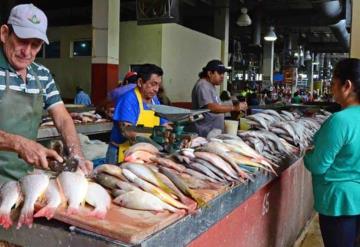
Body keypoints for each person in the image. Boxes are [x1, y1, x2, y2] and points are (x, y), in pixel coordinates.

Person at [0, 4, 92, 183]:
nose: (27, 52)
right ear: (4, 34)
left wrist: (77, 155)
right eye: (21, 41)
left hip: (21, 179)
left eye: (35, 45)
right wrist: (19, 144)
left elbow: (62, 118)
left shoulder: (42, 74)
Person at [304, 58, 360, 247]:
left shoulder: (340, 121)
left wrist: (308, 155)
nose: (331, 89)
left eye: (333, 84)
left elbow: (318, 165)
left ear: (347, 85)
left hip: (339, 203)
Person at [106, 64, 169, 163]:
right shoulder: (128, 99)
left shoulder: (154, 101)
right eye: (153, 84)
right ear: (140, 82)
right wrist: (156, 137)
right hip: (122, 154)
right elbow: (127, 130)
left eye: (158, 85)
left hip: (144, 154)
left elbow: (164, 124)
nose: (156, 89)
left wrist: (172, 134)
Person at [190, 59, 247, 137]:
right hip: (205, 133)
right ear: (210, 73)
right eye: (220, 73)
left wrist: (232, 103)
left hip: (212, 132)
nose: (222, 76)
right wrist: (233, 107)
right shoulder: (203, 85)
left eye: (223, 73)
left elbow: (217, 104)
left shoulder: (210, 85)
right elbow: (211, 107)